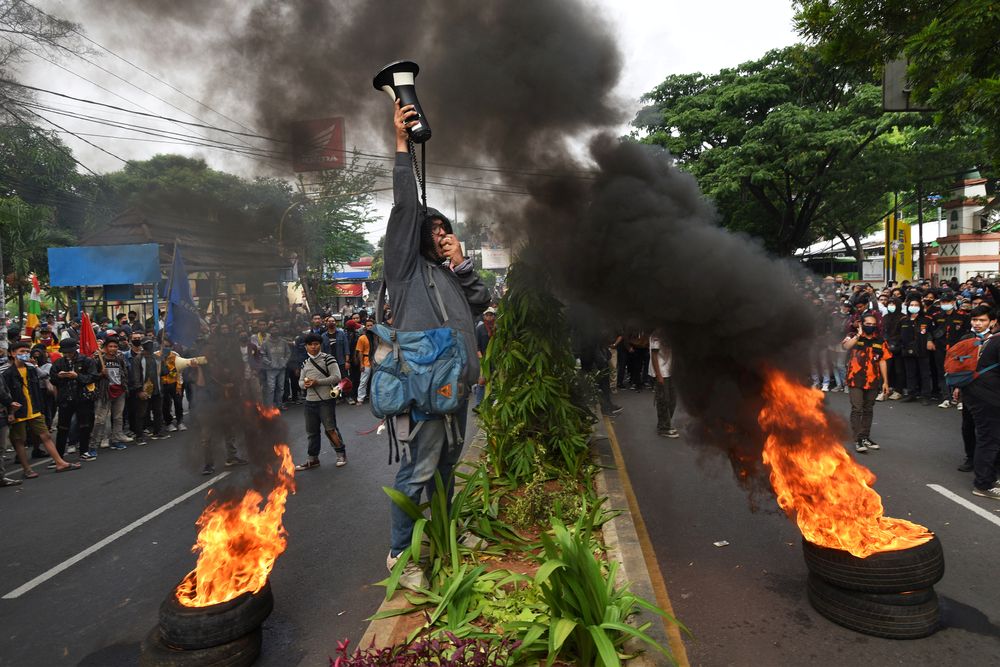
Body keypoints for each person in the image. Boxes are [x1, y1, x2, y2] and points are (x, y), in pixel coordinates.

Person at [382, 100, 490, 590]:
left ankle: (445, 536)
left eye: (446, 229)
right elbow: (406, 209)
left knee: (448, 466)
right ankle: (402, 557)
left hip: (457, 391)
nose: (441, 235)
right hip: (425, 393)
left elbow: (482, 301)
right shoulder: (404, 272)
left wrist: (461, 261)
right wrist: (402, 146)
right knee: (417, 473)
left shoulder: (448, 275)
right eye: (435, 231)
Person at [2, 340, 80, 475]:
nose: (25, 354)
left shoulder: (31, 369)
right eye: (21, 352)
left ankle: (59, 463)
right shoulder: (7, 373)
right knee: (19, 441)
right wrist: (10, 410)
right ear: (12, 354)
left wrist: (34, 366)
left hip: (35, 409)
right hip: (19, 410)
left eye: (27, 352)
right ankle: (27, 470)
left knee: (46, 436)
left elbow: (44, 377)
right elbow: (5, 393)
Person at [960, 306, 1000, 500]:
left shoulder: (990, 341)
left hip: (978, 394)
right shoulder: (995, 341)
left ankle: (990, 477)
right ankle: (983, 484)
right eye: (975, 319)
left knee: (991, 438)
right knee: (988, 439)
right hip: (987, 398)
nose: (977, 323)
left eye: (981, 320)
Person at [295, 332, 346, 470]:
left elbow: (336, 377)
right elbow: (300, 381)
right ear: (306, 347)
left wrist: (317, 382)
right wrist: (304, 385)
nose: (313, 347)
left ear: (320, 345)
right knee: (312, 432)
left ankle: (341, 454)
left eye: (316, 344)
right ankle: (313, 459)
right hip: (310, 402)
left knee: (330, 429)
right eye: (310, 345)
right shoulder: (305, 362)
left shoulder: (328, 359)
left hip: (326, 400)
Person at [842, 314, 891, 453]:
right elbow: (845, 347)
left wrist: (885, 382)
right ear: (862, 324)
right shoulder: (853, 336)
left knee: (868, 409)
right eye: (867, 324)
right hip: (855, 379)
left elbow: (883, 360)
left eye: (873, 324)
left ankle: (865, 437)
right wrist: (858, 335)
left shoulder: (880, 341)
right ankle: (857, 439)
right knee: (857, 409)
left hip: (873, 380)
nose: (871, 326)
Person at [49, 338, 99, 461]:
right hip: (65, 399)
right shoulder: (58, 363)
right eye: (65, 352)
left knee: (85, 425)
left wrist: (77, 376)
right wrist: (60, 376)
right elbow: (52, 379)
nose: (67, 355)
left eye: (69, 352)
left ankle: (84, 451)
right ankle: (59, 456)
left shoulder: (86, 361)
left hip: (83, 398)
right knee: (62, 428)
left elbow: (93, 377)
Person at [92, 336, 132, 450]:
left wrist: (124, 386)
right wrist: (101, 374)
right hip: (104, 393)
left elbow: (124, 373)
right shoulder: (99, 360)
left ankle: (116, 439)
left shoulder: (120, 359)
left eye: (115, 346)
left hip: (119, 391)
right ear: (105, 347)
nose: (113, 348)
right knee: (101, 419)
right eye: (110, 346)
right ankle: (95, 444)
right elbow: (92, 376)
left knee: (118, 417)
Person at [930, 291, 969, 408]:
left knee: (959, 372)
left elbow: (968, 333)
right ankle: (946, 397)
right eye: (943, 302)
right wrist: (930, 340)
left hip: (958, 349)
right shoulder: (937, 316)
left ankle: (960, 399)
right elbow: (931, 331)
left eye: (948, 302)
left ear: (953, 302)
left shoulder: (963, 316)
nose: (945, 304)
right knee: (942, 372)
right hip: (940, 348)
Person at [898, 297, 934, 404]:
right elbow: (899, 335)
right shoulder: (904, 320)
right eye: (911, 305)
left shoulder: (927, 319)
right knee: (910, 373)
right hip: (907, 350)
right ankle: (911, 394)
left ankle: (926, 396)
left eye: (916, 305)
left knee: (925, 374)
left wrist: (930, 340)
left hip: (922, 349)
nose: (913, 307)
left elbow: (931, 332)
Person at [649, 328, 678, 438]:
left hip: (670, 372)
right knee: (663, 400)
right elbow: (654, 356)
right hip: (662, 372)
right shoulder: (656, 334)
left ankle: (666, 423)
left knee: (672, 400)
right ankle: (663, 428)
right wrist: (659, 375)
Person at [260, 323, 291, 408]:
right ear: (269, 331)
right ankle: (270, 407)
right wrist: (269, 363)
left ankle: (279, 405)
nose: (275, 331)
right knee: (271, 388)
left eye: (276, 329)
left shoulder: (283, 341)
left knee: (281, 388)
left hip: (282, 368)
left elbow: (288, 353)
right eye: (273, 330)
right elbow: (262, 355)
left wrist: (284, 362)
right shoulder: (265, 342)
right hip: (270, 369)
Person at [159, 338, 186, 432]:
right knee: (165, 404)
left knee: (178, 403)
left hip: (174, 383)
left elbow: (179, 371)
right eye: (164, 346)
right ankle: (168, 423)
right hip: (162, 384)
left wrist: (179, 385)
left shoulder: (175, 355)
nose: (166, 348)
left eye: (168, 346)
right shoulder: (156, 355)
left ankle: (180, 422)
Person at [355, 317, 375, 404]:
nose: (369, 327)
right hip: (366, 360)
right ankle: (360, 398)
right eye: (368, 325)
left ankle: (375, 398)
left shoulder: (377, 337)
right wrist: (361, 364)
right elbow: (360, 352)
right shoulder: (362, 338)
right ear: (365, 327)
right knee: (363, 381)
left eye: (371, 325)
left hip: (376, 360)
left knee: (376, 380)